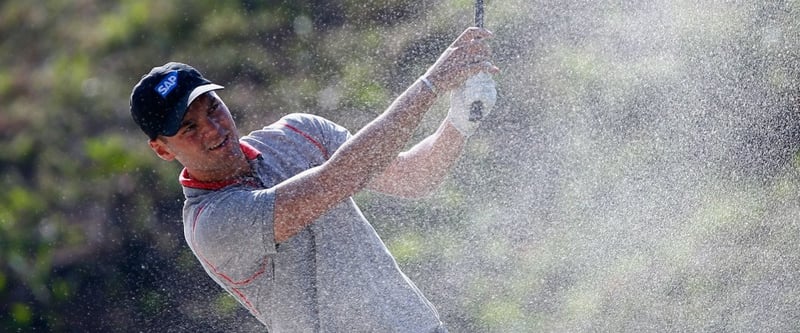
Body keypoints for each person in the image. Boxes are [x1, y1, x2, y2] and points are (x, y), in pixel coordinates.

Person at [129, 27, 498, 332]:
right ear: (162, 150)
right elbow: (337, 180)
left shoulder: (299, 132)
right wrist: (431, 86)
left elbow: (414, 178)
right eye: (189, 127)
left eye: (213, 109)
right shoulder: (210, 223)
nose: (212, 130)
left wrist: (460, 122)